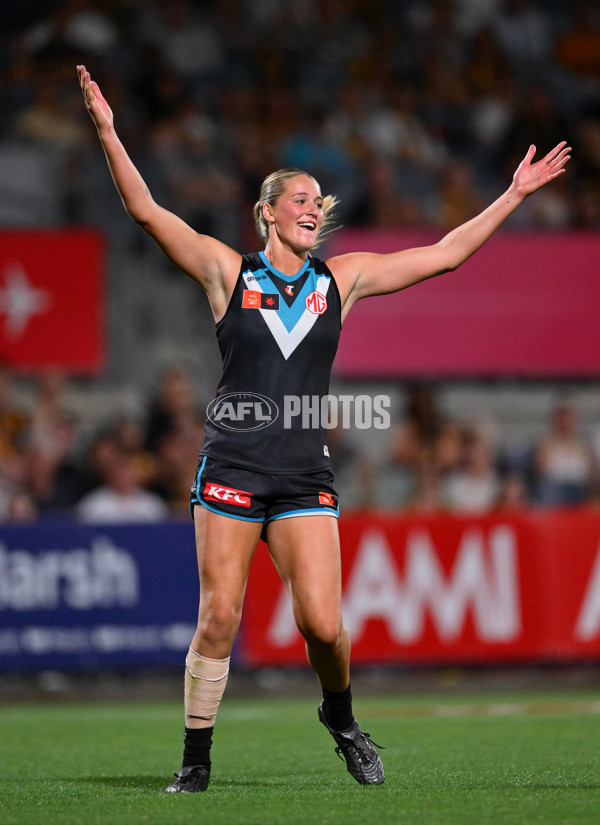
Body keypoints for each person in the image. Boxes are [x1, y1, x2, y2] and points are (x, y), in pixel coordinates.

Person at [77, 63, 570, 793]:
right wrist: (111, 134)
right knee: (219, 617)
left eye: (319, 202)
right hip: (233, 467)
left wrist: (511, 196)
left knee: (325, 627)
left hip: (304, 473)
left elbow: (446, 254)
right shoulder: (227, 273)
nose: (315, 209)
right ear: (268, 211)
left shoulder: (342, 280)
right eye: (300, 200)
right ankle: (195, 759)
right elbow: (149, 210)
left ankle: (340, 718)